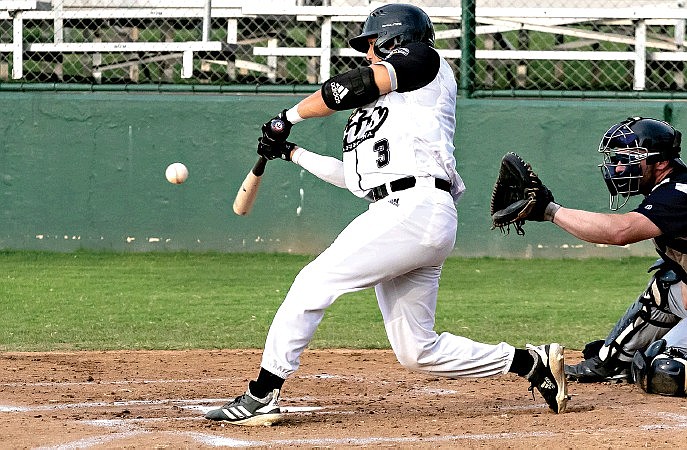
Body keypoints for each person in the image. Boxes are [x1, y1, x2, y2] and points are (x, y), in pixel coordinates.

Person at [204, 3, 567, 425]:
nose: (367, 53)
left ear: (395, 38)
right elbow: (357, 179)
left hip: (414, 209)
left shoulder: (424, 61)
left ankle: (262, 395)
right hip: (406, 212)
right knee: (417, 350)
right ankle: (530, 362)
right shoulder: (384, 112)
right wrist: (292, 152)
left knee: (312, 282)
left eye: (372, 44)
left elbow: (353, 85)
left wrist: (288, 117)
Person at [531, 116, 687, 395]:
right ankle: (614, 361)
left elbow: (619, 232)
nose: (618, 167)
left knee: (666, 371)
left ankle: (645, 361)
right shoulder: (669, 187)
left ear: (661, 162)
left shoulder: (678, 194)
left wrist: (549, 210)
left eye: (628, 158)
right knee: (669, 281)